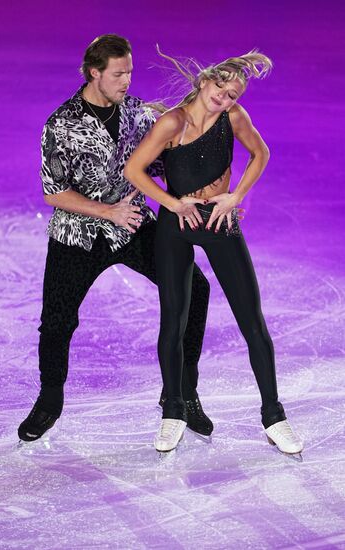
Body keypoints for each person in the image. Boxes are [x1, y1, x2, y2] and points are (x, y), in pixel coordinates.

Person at [18, 34, 212, 442]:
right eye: (118, 73)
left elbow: (159, 162)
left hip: (133, 227)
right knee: (56, 321)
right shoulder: (62, 124)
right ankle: (49, 401)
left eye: (130, 72)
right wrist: (109, 211)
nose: (127, 80)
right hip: (78, 235)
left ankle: (182, 393)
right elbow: (53, 192)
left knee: (194, 288)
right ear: (95, 73)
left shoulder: (138, 115)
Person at [124, 49, 303, 455]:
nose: (225, 100)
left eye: (233, 96)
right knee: (173, 320)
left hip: (219, 221)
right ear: (205, 82)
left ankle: (274, 417)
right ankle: (173, 411)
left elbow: (261, 154)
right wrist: (172, 204)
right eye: (221, 91)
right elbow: (133, 170)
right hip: (177, 226)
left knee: (251, 320)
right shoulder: (173, 121)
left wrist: (235, 195)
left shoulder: (234, 119)